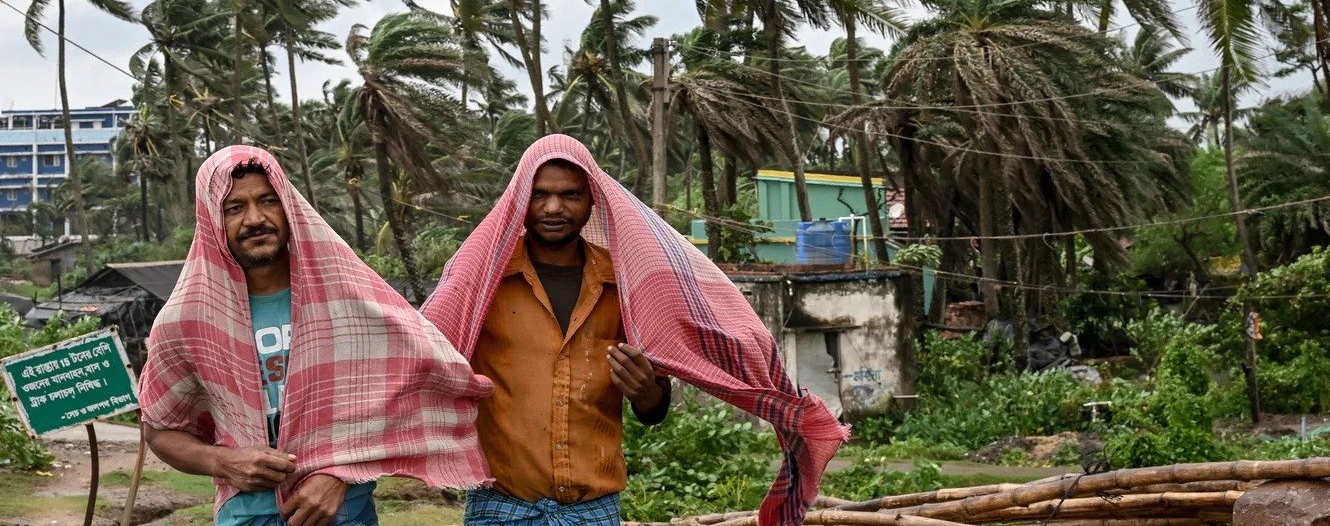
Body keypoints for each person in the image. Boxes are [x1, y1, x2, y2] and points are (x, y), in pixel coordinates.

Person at [425, 135, 849, 526]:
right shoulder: (481, 283)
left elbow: (654, 406)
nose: (554, 208)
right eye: (540, 194)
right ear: (520, 200)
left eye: (570, 194)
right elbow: (426, 355)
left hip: (594, 512)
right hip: (500, 508)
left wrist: (647, 393)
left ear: (593, 202)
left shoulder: (626, 284)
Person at [139, 147, 491, 526]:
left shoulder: (346, 297)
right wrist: (224, 461)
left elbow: (403, 388)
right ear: (212, 219)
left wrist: (339, 473)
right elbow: (159, 429)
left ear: (288, 206)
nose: (255, 219)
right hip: (247, 515)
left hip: (343, 511)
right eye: (234, 208)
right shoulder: (187, 319)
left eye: (267, 201)